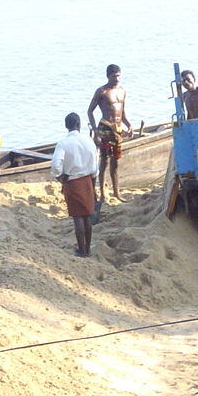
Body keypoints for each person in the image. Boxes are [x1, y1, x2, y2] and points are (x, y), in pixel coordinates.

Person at [50, 112, 99, 257]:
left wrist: (60, 177)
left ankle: (82, 250)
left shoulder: (63, 143)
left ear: (66, 126)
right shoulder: (88, 141)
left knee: (78, 217)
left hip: (72, 182)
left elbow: (55, 166)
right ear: (79, 125)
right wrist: (93, 180)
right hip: (88, 180)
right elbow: (95, 163)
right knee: (87, 215)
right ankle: (88, 248)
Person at [87, 64, 132, 203]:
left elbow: (122, 112)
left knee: (116, 161)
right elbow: (90, 111)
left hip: (118, 129)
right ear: (108, 76)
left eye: (119, 75)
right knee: (104, 161)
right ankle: (102, 194)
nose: (117, 78)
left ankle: (116, 193)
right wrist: (95, 131)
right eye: (114, 76)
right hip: (105, 127)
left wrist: (129, 125)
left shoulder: (123, 91)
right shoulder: (102, 91)